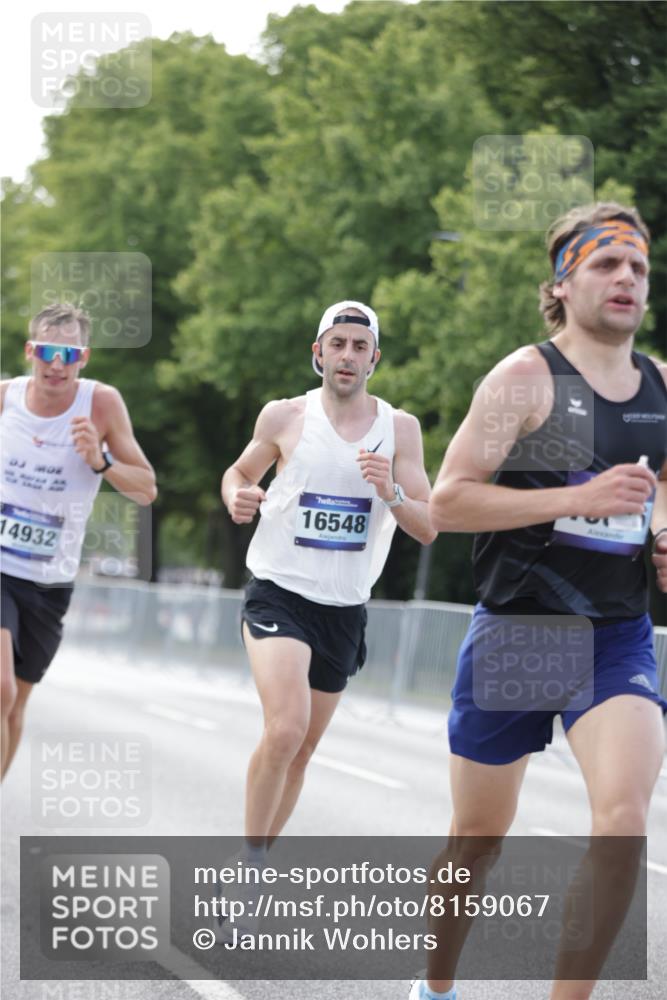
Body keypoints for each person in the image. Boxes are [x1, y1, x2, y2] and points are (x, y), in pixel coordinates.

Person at [416, 203, 667, 1000]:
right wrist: (576, 497)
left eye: (637, 266)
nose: (625, 277)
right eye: (605, 264)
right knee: (477, 839)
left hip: (615, 635)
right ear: (562, 283)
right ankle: (435, 986)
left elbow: (661, 492)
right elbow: (448, 503)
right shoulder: (524, 379)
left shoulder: (662, 383)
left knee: (622, 823)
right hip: (521, 633)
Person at [219, 300, 435, 938]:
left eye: (358, 345)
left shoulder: (401, 430)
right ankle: (250, 865)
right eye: (336, 343)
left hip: (344, 608)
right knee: (285, 729)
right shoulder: (286, 415)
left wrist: (390, 489)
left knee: (306, 746)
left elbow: (428, 526)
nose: (347, 355)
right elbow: (239, 472)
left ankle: (261, 852)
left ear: (375, 357)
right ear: (318, 353)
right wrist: (238, 496)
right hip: (279, 591)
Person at [0, 303, 157, 779]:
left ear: (83, 358)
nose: (56, 364)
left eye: (67, 354)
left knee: (17, 703)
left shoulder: (102, 404)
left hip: (50, 581)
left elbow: (146, 489)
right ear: (31, 350)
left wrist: (101, 462)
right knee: (1, 691)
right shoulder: (4, 400)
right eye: (47, 351)